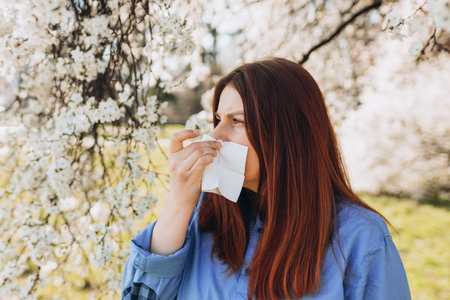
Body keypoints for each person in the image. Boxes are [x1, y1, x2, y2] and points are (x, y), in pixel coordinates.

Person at [121, 57, 411, 299]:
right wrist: (178, 202)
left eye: (237, 121)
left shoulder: (359, 238)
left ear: (286, 135)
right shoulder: (200, 219)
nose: (216, 136)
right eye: (218, 120)